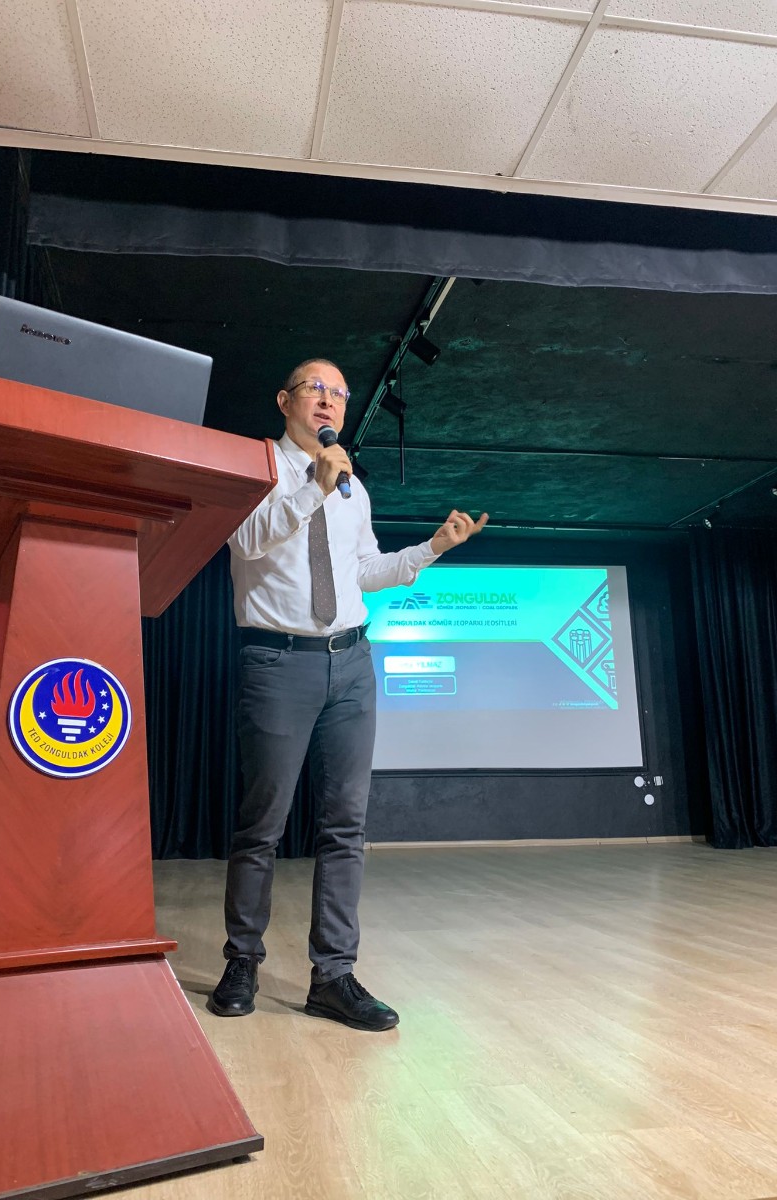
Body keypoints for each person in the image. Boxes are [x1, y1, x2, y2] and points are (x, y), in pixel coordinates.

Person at [208, 358, 487, 1032]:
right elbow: (244, 540)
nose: (329, 399)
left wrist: (431, 548)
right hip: (279, 663)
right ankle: (242, 960)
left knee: (344, 828)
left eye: (339, 391)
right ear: (285, 400)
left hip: (352, 664)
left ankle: (332, 977)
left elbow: (363, 570)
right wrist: (314, 485)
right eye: (316, 388)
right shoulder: (256, 466)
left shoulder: (352, 487)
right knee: (262, 825)